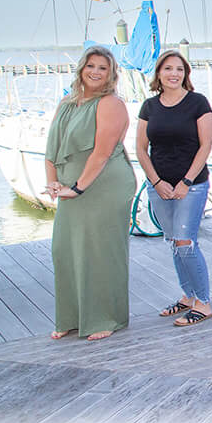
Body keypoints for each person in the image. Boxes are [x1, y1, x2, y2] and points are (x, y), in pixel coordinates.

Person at [45, 46, 136, 341]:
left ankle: (104, 317)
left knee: (100, 252)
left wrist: (78, 188)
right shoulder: (67, 103)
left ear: (111, 74)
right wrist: (54, 184)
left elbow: (101, 153)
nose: (95, 72)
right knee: (64, 249)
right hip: (71, 188)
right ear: (82, 68)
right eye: (91, 66)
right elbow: (51, 149)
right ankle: (70, 317)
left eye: (103, 68)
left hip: (103, 185)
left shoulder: (111, 104)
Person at [136, 50, 212, 327]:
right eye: (168, 68)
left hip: (190, 187)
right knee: (173, 242)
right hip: (159, 186)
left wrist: (186, 182)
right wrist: (156, 182)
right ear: (158, 73)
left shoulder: (198, 103)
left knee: (186, 242)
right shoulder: (149, 106)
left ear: (186, 74)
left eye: (179, 69)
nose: (174, 74)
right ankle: (188, 296)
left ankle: (203, 303)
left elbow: (206, 146)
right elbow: (140, 149)